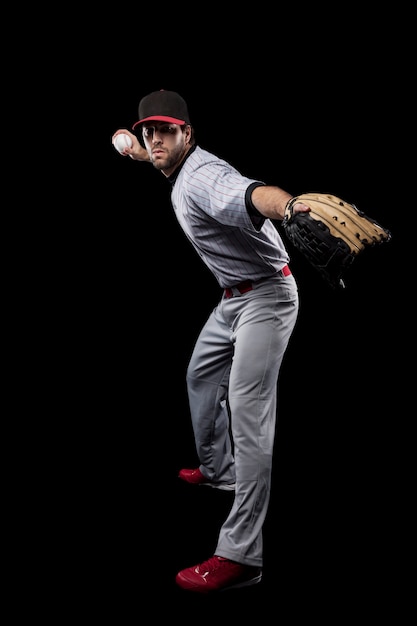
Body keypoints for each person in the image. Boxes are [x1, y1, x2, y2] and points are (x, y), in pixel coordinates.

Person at [111, 89, 310, 594]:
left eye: (166, 131)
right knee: (199, 374)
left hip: (267, 296)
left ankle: (241, 555)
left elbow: (247, 194)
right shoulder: (168, 161)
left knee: (248, 408)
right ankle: (218, 470)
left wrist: (289, 206)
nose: (154, 138)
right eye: (147, 131)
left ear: (189, 134)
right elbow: (142, 149)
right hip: (232, 299)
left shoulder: (202, 176)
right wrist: (127, 143)